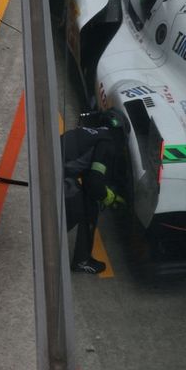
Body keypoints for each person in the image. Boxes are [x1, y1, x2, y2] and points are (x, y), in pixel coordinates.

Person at [62, 110, 127, 274]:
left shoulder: (93, 134)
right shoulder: (108, 144)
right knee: (83, 209)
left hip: (54, 165)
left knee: (88, 202)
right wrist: (110, 198)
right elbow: (94, 182)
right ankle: (77, 259)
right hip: (56, 175)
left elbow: (83, 168)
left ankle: (79, 257)